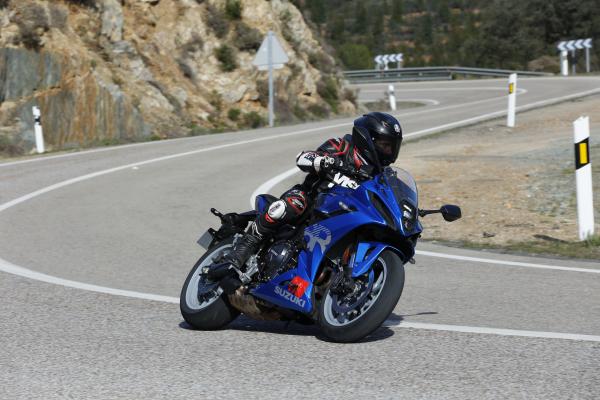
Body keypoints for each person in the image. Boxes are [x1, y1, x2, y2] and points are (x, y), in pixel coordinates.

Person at [222, 112, 403, 271]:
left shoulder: (381, 175)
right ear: (367, 139)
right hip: (311, 200)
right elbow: (303, 158)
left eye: (391, 146)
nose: (388, 151)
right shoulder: (341, 147)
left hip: (344, 213)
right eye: (384, 144)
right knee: (290, 206)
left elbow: (389, 196)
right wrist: (324, 161)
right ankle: (244, 247)